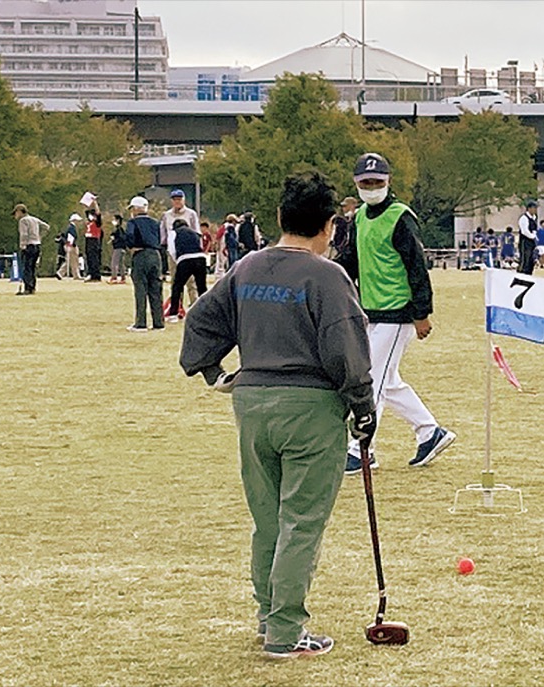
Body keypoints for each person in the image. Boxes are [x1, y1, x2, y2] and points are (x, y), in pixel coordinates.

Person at [180, 169, 376, 659]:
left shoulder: (247, 267)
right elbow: (346, 350)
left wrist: (213, 372)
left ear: (279, 217)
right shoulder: (328, 276)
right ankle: (286, 631)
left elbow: (201, 319)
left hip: (252, 405)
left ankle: (269, 617)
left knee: (267, 520)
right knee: (301, 522)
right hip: (310, 410)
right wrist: (363, 407)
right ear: (329, 226)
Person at [336, 152, 456, 474]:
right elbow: (351, 260)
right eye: (365, 182)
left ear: (388, 182)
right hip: (371, 311)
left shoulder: (401, 217)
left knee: (371, 380)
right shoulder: (359, 218)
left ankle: (362, 449)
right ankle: (430, 432)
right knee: (387, 381)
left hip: (397, 312)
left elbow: (417, 266)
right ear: (356, 184)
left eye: (377, 182)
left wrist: (422, 313)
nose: (372, 187)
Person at [125, 196, 164, 331]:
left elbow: (129, 236)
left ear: (136, 209)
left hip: (141, 254)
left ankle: (141, 323)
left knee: (141, 289)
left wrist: (131, 246)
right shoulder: (155, 222)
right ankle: (158, 322)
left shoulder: (133, 222)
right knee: (156, 289)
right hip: (155, 254)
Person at [166, 218, 208, 322]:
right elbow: (200, 245)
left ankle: (173, 313)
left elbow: (171, 249)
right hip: (201, 258)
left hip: (185, 258)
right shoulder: (195, 233)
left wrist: (177, 260)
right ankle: (206, 312)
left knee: (177, 286)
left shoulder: (174, 233)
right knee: (202, 287)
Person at [161, 190, 199, 280]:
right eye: (175, 199)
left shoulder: (191, 214)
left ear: (184, 200)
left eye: (179, 199)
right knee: (174, 277)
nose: (177, 201)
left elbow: (197, 231)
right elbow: (163, 231)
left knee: (190, 279)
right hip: (172, 249)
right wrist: (163, 245)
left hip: (188, 249)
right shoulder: (166, 215)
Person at [14, 204, 47, 295]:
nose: (15, 216)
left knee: (26, 267)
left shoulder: (23, 220)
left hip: (28, 246)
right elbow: (46, 227)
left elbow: (24, 234)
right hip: (37, 245)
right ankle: (32, 287)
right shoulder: (34, 219)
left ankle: (27, 288)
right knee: (32, 268)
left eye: (16, 213)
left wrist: (22, 245)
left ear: (19, 212)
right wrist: (39, 237)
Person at [84, 200, 104, 282]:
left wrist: (95, 203)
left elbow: (98, 213)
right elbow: (86, 210)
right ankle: (90, 273)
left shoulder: (97, 222)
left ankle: (96, 275)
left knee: (94, 258)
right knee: (89, 257)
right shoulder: (89, 222)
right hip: (88, 240)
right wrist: (88, 203)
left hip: (94, 240)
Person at [517, 200, 539, 274]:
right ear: (529, 208)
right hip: (525, 241)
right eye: (534, 208)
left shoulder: (534, 218)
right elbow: (524, 231)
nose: (535, 210)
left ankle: (529, 274)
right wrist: (532, 236)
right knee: (525, 259)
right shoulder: (524, 218)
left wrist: (535, 237)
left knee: (531, 260)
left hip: (532, 241)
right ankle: (521, 274)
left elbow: (534, 229)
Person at [62, 214, 82, 280]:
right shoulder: (71, 228)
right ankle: (76, 275)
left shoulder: (71, 227)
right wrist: (70, 244)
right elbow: (70, 237)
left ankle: (60, 273)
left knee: (71, 260)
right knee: (74, 261)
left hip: (71, 245)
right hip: (71, 246)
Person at [109, 215, 128, 284]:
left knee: (114, 263)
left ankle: (114, 277)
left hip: (118, 248)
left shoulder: (118, 229)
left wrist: (114, 239)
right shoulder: (121, 229)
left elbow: (121, 238)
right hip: (122, 248)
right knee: (121, 264)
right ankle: (123, 278)